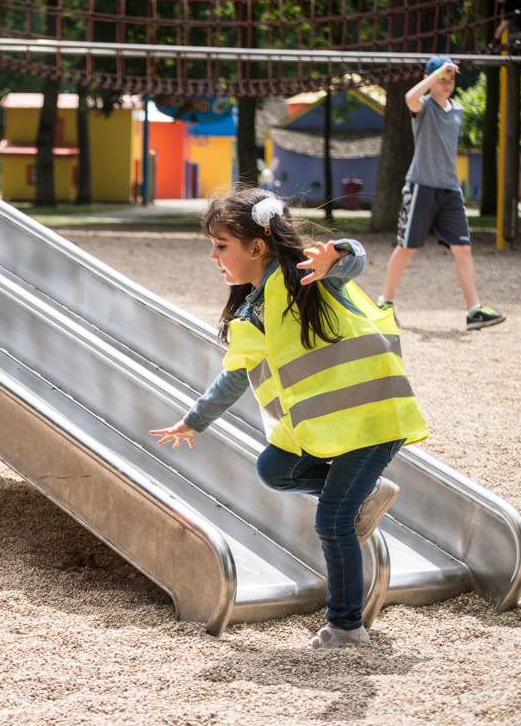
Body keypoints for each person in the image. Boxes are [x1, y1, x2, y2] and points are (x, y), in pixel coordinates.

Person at [150, 188, 429, 649]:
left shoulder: (306, 276)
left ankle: (346, 626)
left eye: (221, 245)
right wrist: (194, 421)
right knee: (274, 468)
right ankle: (369, 492)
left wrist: (337, 254)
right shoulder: (254, 307)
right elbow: (234, 378)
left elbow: (353, 261)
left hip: (374, 417)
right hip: (340, 423)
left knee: (333, 520)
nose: (213, 256)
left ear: (256, 247)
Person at [377, 55, 505, 330]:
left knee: (463, 248)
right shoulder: (422, 106)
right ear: (430, 80)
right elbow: (410, 96)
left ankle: (474, 311)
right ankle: (386, 301)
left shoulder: (458, 110)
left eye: (451, 79)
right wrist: (437, 73)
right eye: (442, 79)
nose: (447, 84)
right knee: (406, 247)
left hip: (450, 189)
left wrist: (441, 73)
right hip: (421, 186)